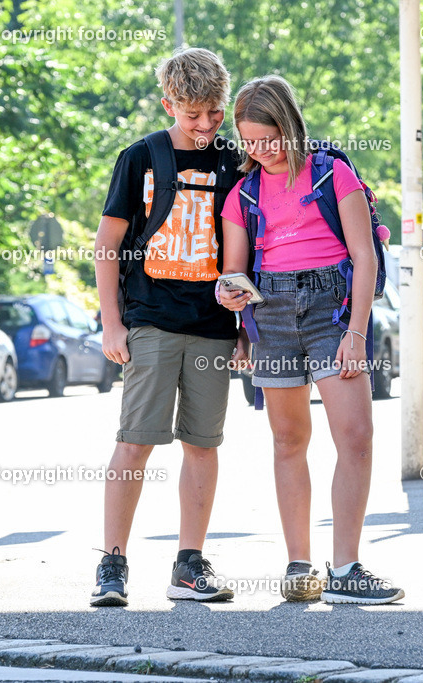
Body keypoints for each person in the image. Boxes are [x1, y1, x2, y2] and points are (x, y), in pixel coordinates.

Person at [218, 75, 404, 605]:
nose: (260, 151)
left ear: (290, 125)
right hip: (271, 316)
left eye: (269, 139)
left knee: (356, 437)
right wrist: (231, 299)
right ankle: (300, 568)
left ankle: (345, 569)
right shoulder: (244, 193)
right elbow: (233, 272)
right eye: (249, 142)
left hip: (332, 310)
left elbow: (364, 256)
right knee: (288, 440)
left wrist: (356, 333)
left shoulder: (333, 174)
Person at [90, 47, 247, 607]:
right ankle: (112, 564)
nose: (204, 126)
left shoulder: (234, 161)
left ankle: (188, 565)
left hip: (213, 326)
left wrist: (245, 330)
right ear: (169, 105)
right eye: (192, 114)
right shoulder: (140, 158)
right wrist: (112, 324)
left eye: (214, 114)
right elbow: (107, 245)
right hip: (151, 322)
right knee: (134, 442)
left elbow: (241, 254)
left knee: (202, 445)